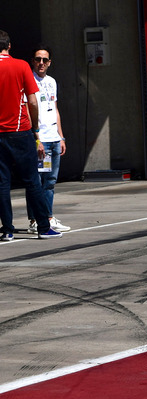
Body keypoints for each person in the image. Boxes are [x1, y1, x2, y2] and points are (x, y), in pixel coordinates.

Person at [0, 30, 61, 241]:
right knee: (33, 180)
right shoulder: (20, 66)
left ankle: (7, 229)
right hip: (19, 130)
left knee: (2, 183)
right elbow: (33, 101)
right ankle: (44, 227)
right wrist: (35, 129)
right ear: (9, 46)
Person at [26, 45, 70, 233]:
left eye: (44, 60)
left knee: (50, 181)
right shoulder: (29, 81)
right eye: (38, 59)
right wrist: (37, 139)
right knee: (38, 180)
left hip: (53, 138)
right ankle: (36, 220)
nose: (41, 63)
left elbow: (55, 109)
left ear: (49, 62)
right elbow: (28, 111)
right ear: (33, 61)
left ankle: (48, 216)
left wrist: (61, 137)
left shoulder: (52, 82)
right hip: (40, 139)